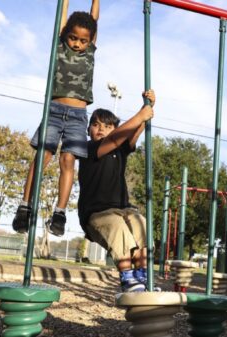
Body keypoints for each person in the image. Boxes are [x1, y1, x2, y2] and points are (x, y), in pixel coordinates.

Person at [13, 0, 100, 237]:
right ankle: (24, 205)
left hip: (78, 116)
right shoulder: (60, 46)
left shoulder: (90, 50)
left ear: (90, 40)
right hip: (53, 110)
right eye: (73, 38)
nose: (78, 44)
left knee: (68, 160)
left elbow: (95, 19)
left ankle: (60, 212)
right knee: (43, 155)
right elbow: (62, 16)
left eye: (83, 40)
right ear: (66, 35)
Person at [78, 90, 155, 292]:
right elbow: (113, 141)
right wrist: (140, 115)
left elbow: (132, 133)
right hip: (97, 213)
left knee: (141, 226)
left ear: (115, 129)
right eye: (96, 125)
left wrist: (147, 107)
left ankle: (142, 277)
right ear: (88, 130)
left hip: (124, 209)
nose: (101, 129)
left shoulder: (120, 150)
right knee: (118, 227)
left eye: (108, 126)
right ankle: (127, 279)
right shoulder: (88, 149)